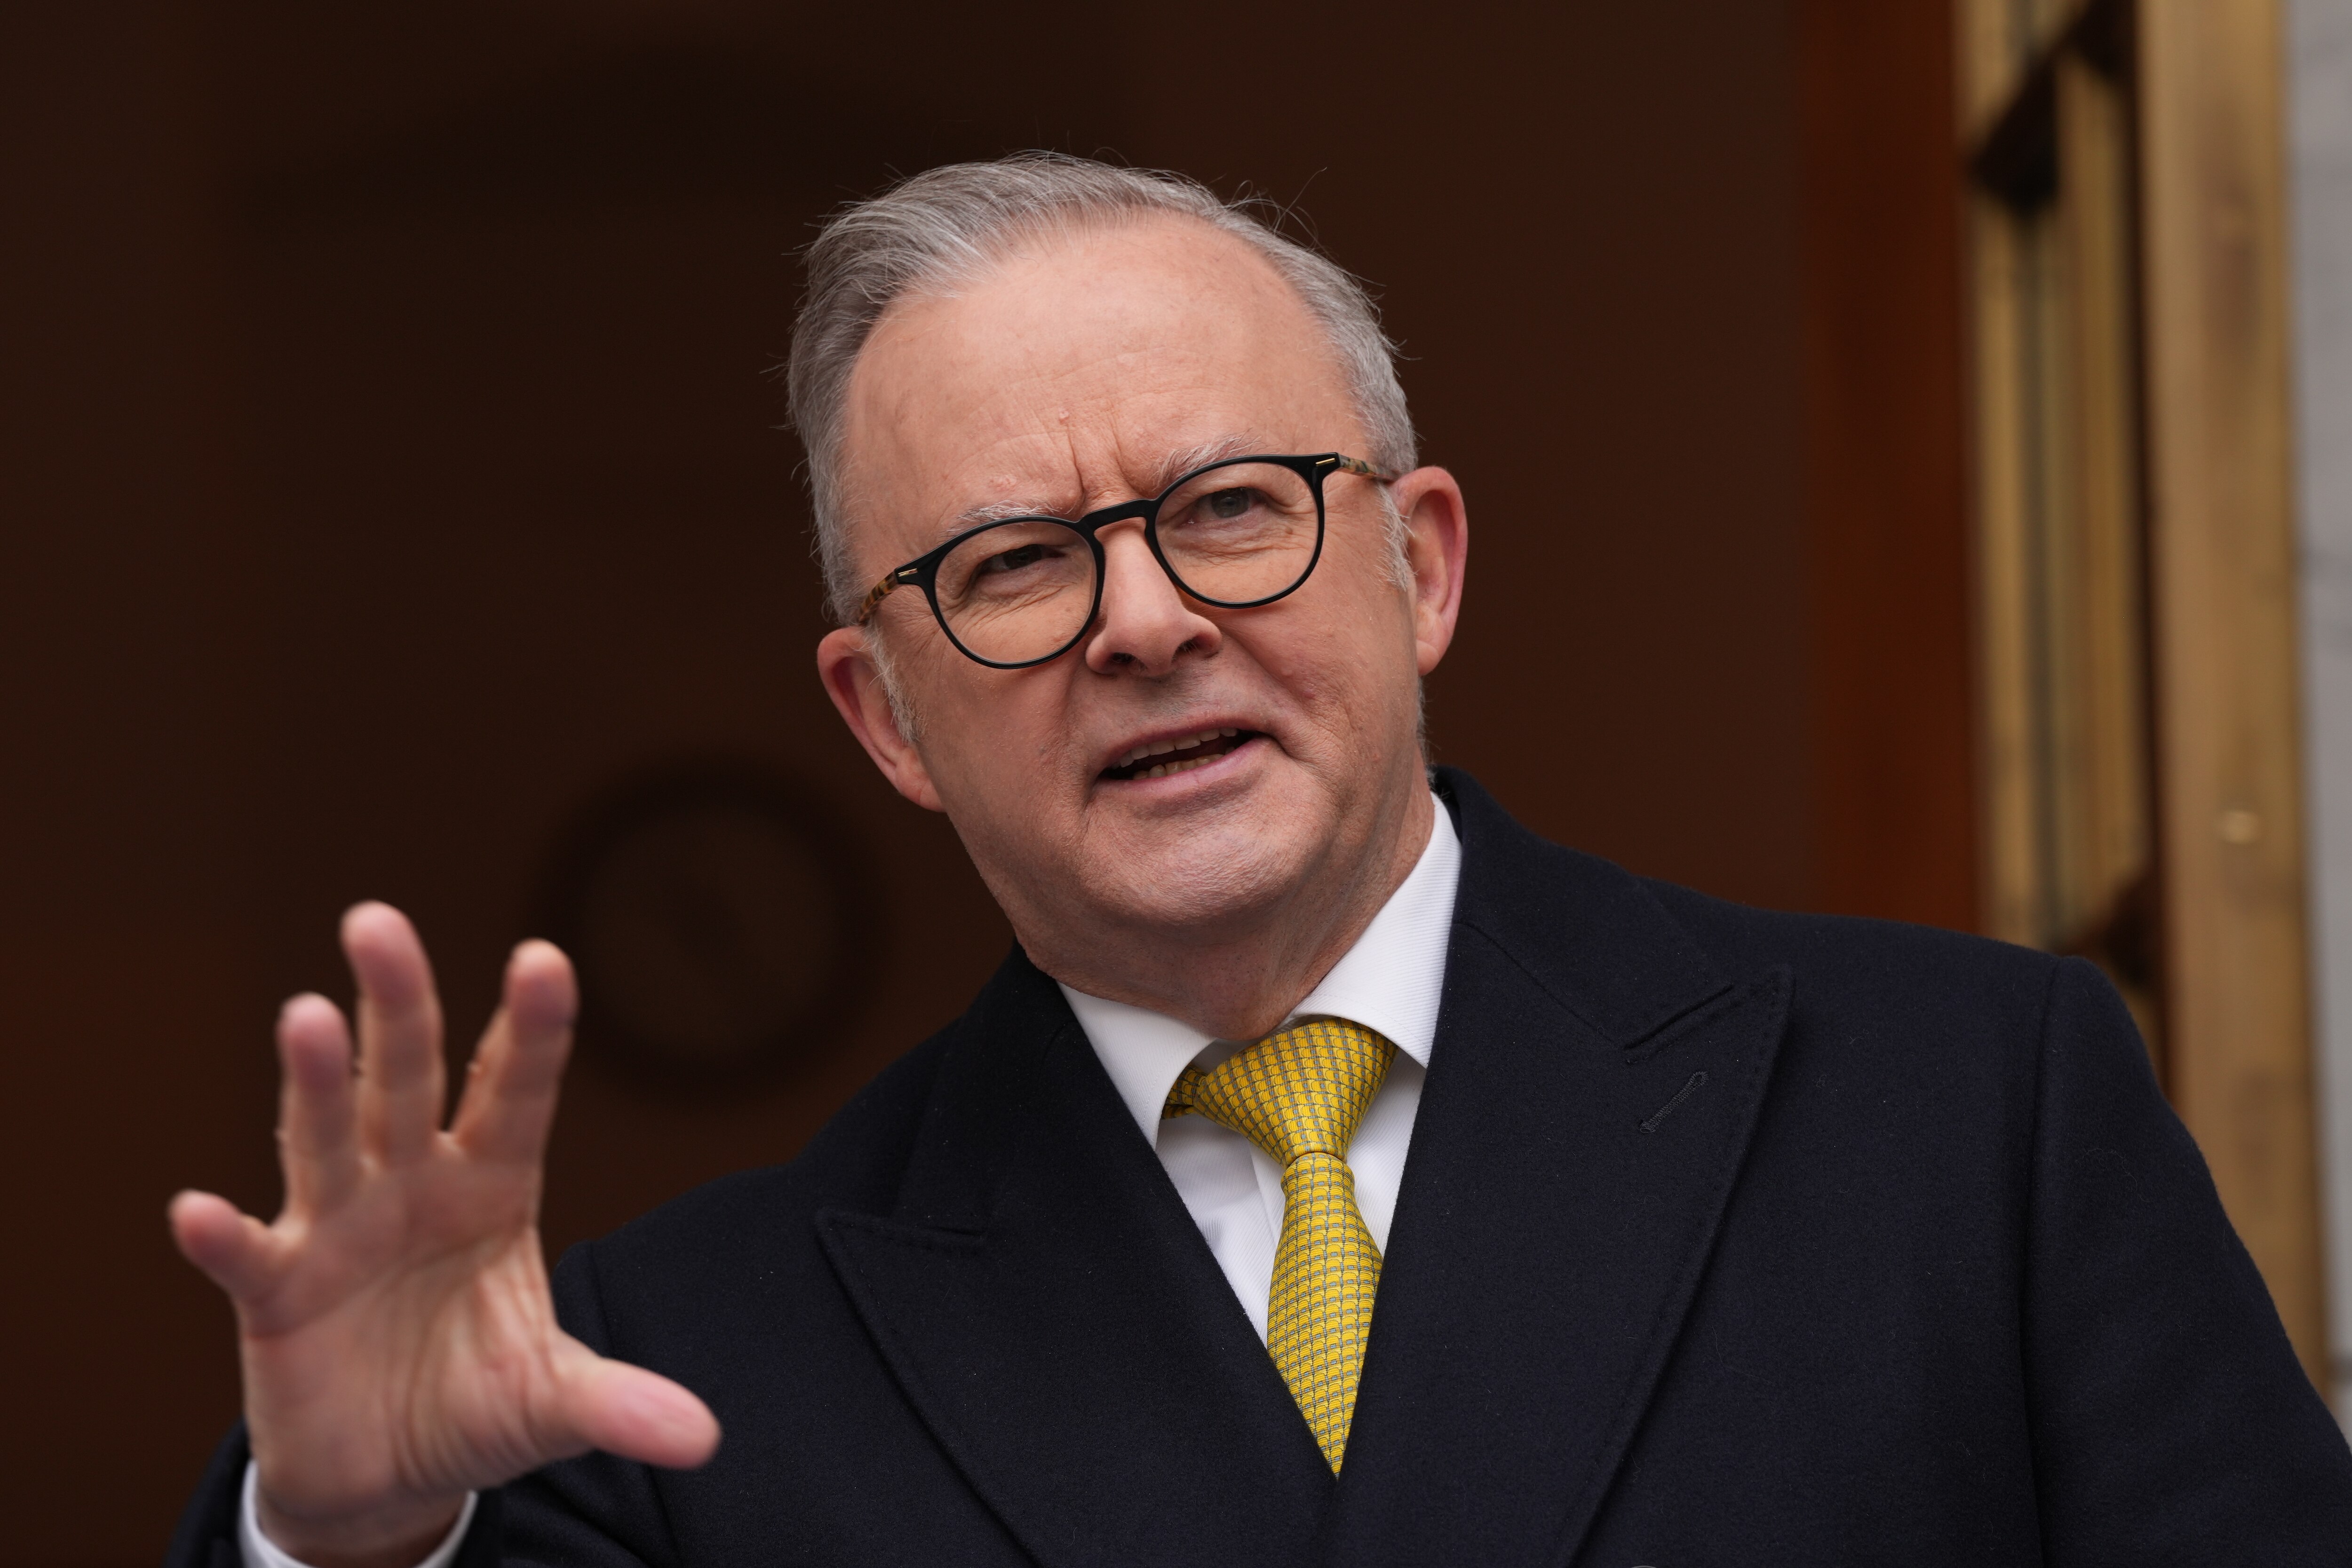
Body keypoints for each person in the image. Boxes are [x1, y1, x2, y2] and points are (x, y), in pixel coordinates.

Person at [166, 154, 2352, 1568]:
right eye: (1013, 564)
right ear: (881, 715)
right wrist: (340, 1543)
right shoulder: (658, 1377)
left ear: (1417, 568)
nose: (1141, 623)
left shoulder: (1969, 1110)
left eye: (1227, 507)